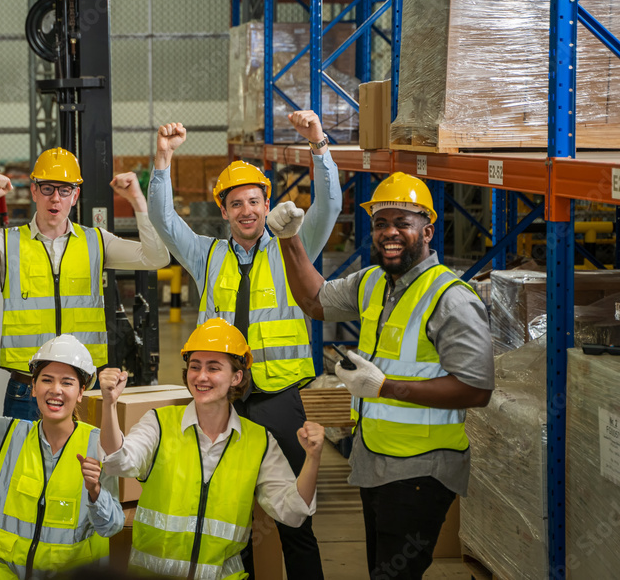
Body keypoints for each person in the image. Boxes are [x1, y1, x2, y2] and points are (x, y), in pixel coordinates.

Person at [148, 112, 341, 578]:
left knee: (295, 514)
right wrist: (163, 158)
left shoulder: (293, 246)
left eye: (254, 201)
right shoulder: (205, 255)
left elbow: (329, 207)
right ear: (225, 210)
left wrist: (319, 147)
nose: (247, 211)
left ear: (265, 203)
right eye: (236, 204)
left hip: (278, 400)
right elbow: (163, 218)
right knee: (234, 517)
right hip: (225, 405)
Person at [278, 171, 494, 580]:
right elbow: (313, 300)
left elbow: (476, 389)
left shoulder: (450, 299)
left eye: (402, 223)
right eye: (380, 224)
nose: (389, 233)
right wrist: (290, 238)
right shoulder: (374, 282)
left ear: (427, 230)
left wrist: (385, 388)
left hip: (422, 471)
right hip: (376, 461)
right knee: (383, 569)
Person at [0, 147, 170, 420]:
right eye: (47, 188)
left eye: (65, 189)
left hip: (81, 388)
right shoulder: (8, 243)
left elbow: (156, 258)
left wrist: (137, 200)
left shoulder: (97, 242)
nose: (55, 198)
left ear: (76, 195)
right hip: (28, 389)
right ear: (34, 191)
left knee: (81, 463)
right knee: (23, 462)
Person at [98, 318, 324, 579]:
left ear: (236, 377)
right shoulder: (159, 424)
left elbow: (293, 513)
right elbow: (118, 462)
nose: (201, 376)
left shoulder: (258, 442)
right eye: (195, 366)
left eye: (213, 368)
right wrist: (109, 405)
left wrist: (313, 458)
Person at [0, 317, 124, 578]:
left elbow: (112, 526)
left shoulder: (100, 444)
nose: (55, 390)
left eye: (67, 383)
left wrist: (95, 492)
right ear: (33, 388)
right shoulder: (11, 433)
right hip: (3, 572)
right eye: (46, 380)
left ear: (80, 392)